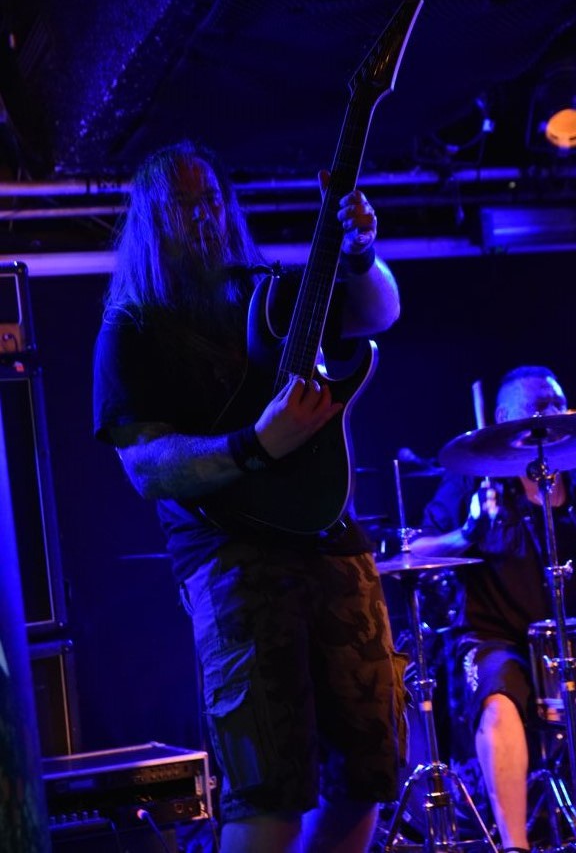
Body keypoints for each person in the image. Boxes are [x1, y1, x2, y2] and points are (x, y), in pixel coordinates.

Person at [93, 139, 407, 852]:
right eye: (182, 205)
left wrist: (361, 253)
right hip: (233, 557)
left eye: (210, 199)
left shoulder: (269, 289)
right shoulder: (133, 327)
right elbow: (146, 466)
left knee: (369, 774)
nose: (202, 216)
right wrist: (257, 443)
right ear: (151, 219)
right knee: (269, 789)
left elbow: (377, 312)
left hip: (332, 539)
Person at [410, 365, 576, 852]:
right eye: (539, 407)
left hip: (573, 637)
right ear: (505, 418)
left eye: (558, 403)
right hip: (495, 636)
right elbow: (417, 550)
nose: (553, 415)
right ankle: (515, 844)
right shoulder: (473, 480)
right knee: (499, 699)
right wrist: (467, 532)